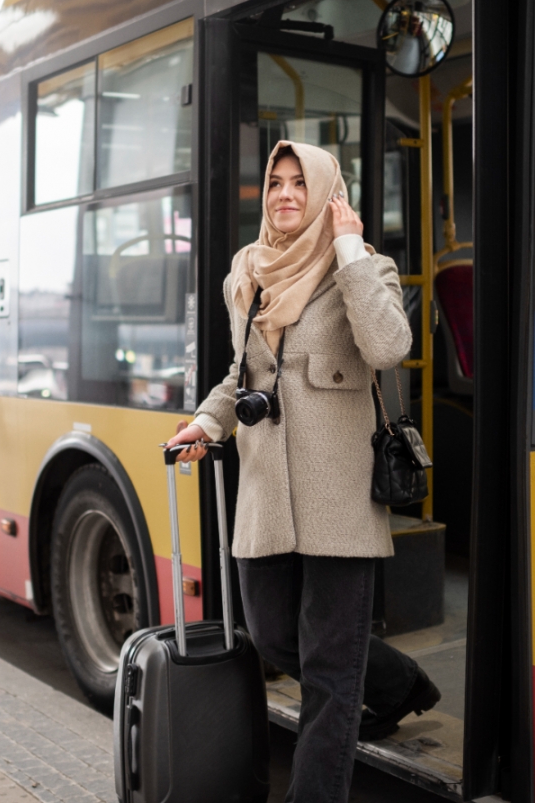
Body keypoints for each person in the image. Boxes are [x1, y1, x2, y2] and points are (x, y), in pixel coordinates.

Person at [165, 140, 440, 802]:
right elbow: (240, 377)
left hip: (340, 499)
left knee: (329, 669)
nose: (286, 194)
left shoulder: (367, 267)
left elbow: (387, 346)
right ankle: (399, 684)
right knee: (273, 634)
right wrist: (206, 423)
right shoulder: (247, 272)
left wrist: (349, 251)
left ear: (326, 193)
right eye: (275, 182)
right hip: (265, 495)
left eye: (299, 183)